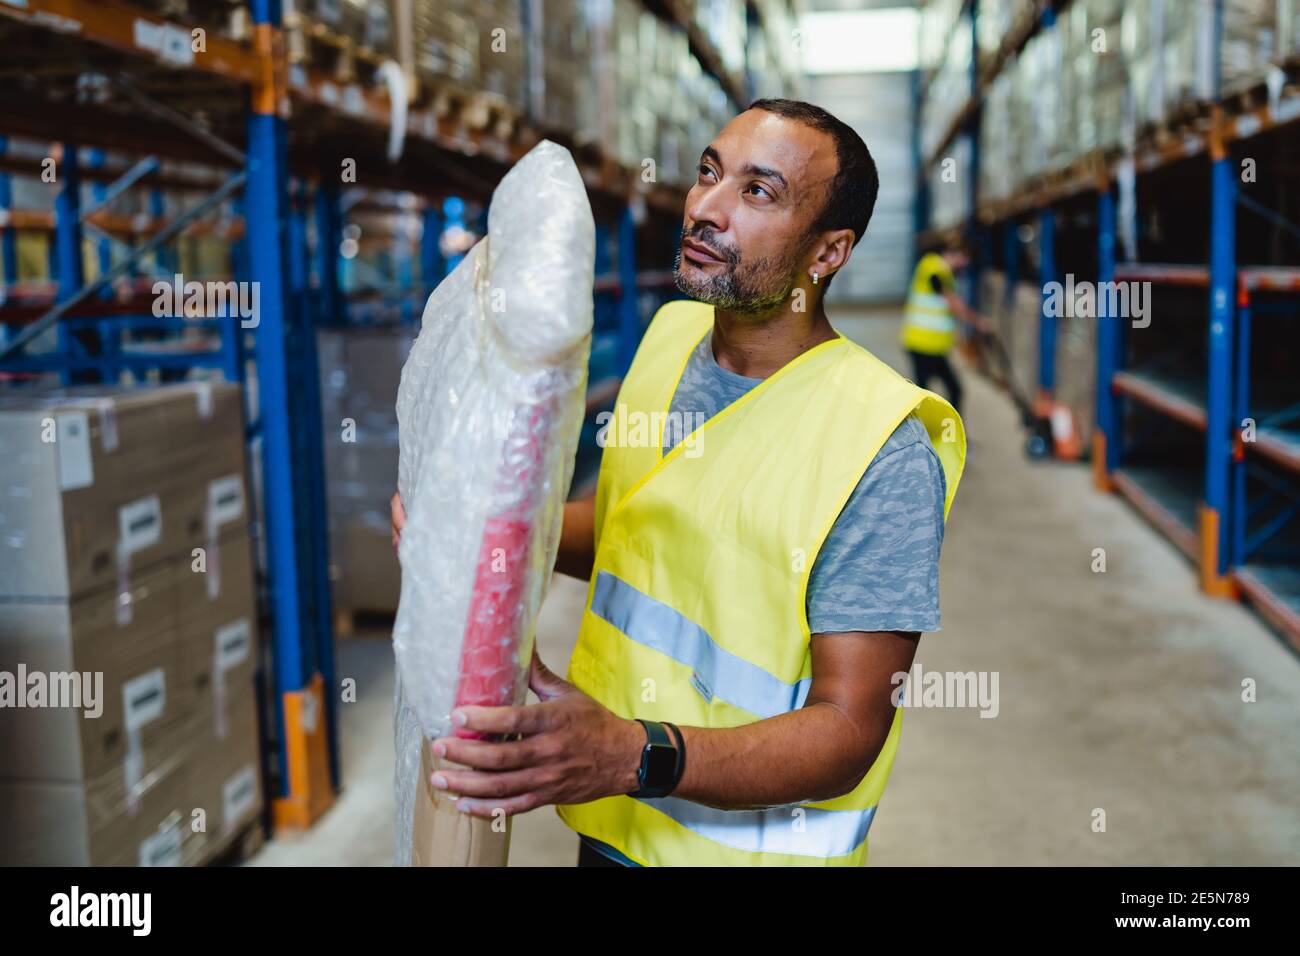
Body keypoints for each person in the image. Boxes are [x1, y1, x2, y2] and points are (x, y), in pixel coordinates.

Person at [391, 99, 966, 867]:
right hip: (611, 823)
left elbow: (848, 730)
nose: (706, 208)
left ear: (827, 253)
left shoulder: (882, 445)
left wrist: (632, 754)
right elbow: (633, 530)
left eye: (757, 192)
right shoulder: (671, 336)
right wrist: (484, 533)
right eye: (708, 173)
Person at [899, 241, 990, 415]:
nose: (965, 265)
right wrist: (977, 321)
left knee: (936, 392)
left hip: (931, 346)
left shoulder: (942, 271)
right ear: (956, 253)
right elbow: (951, 300)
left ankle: (942, 434)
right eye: (965, 259)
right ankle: (941, 435)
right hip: (923, 344)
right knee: (938, 393)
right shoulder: (934, 267)